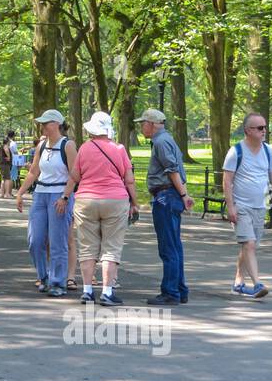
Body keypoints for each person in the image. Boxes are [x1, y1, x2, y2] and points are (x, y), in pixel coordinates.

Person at [57, 111, 136, 306]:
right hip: (115, 201)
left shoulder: (84, 148)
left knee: (87, 248)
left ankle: (87, 291)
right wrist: (134, 202)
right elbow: (129, 180)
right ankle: (107, 292)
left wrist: (65, 196)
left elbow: (74, 176)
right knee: (111, 248)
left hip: (86, 200)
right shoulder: (119, 149)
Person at [222, 112, 272, 297]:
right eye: (259, 128)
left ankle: (238, 281)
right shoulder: (236, 151)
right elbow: (227, 181)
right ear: (247, 130)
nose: (264, 131)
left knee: (248, 245)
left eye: (265, 127)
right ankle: (257, 284)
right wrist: (230, 207)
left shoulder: (268, 151)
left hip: (261, 206)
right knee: (249, 244)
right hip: (241, 205)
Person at [135, 108, 194, 306]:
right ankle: (179, 289)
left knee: (168, 247)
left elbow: (172, 170)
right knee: (175, 246)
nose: (141, 127)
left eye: (143, 123)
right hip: (172, 195)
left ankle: (170, 292)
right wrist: (184, 194)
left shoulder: (160, 142)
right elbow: (175, 169)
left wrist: (184, 194)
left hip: (165, 196)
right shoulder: (167, 139)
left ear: (152, 124)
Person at [16, 109, 76, 296]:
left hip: (59, 194)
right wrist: (20, 193)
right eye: (41, 123)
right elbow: (34, 171)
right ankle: (44, 277)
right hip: (40, 194)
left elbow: (75, 175)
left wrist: (65, 197)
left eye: (46, 123)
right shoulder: (42, 145)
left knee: (58, 242)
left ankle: (58, 282)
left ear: (56, 124)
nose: (42, 126)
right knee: (35, 240)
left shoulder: (68, 145)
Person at [0, 131, 14, 198]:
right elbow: (6, 150)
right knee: (7, 179)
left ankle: (2, 193)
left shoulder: (1, 146)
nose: (10, 142)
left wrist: (1, 156)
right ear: (7, 141)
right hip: (5, 164)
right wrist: (9, 157)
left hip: (1, 164)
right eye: (9, 141)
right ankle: (7, 194)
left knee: (3, 179)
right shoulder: (5, 146)